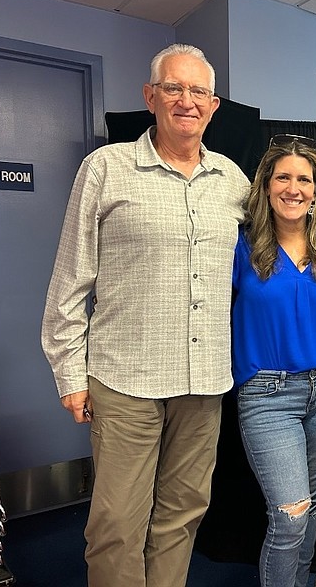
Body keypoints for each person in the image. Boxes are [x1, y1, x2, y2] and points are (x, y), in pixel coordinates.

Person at [41, 44, 250, 587]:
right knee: (115, 523)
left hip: (203, 383)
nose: (186, 100)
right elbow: (71, 278)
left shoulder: (233, 181)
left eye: (198, 91)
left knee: (182, 516)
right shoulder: (106, 168)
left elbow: (276, 250)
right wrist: (69, 373)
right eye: (174, 88)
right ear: (150, 96)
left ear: (214, 104)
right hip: (125, 379)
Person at [231, 134, 316, 587]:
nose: (294, 188)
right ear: (266, 186)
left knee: (310, 503)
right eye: (283, 177)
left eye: (304, 179)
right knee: (289, 514)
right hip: (267, 394)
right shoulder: (241, 247)